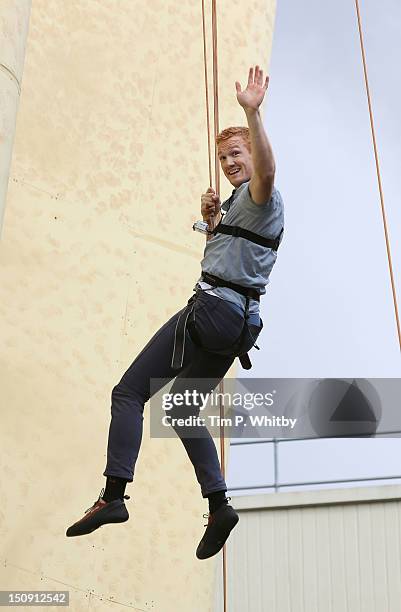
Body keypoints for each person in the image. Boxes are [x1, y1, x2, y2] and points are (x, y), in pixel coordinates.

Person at [66, 65, 284, 560]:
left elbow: (267, 172)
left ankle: (114, 495)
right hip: (239, 325)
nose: (230, 162)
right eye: (224, 156)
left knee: (128, 392)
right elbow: (235, 261)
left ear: (253, 153)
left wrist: (252, 114)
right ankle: (219, 503)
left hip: (213, 313)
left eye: (238, 153)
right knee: (183, 408)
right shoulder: (238, 208)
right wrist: (213, 226)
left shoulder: (262, 194)